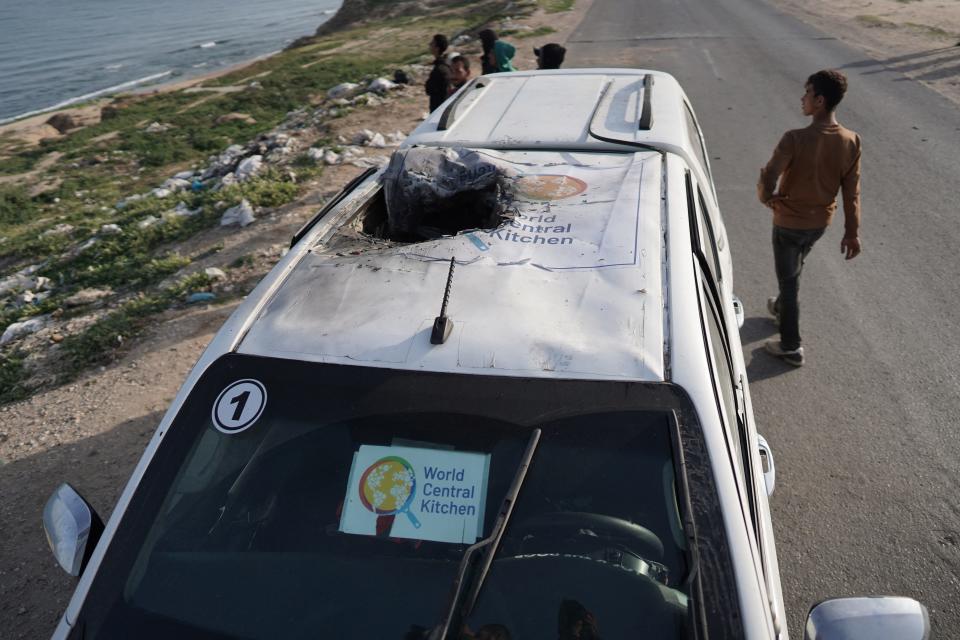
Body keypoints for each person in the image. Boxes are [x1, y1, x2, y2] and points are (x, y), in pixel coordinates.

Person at [757, 69, 862, 367]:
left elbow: (770, 174)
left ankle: (791, 346)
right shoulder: (851, 140)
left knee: (790, 281)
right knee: (794, 268)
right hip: (819, 225)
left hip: (789, 223)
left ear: (819, 100)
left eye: (806, 93)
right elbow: (851, 192)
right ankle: (780, 308)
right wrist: (852, 232)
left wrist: (766, 197)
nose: (801, 98)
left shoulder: (794, 138)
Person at [425, 34, 452, 112]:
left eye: (432, 43)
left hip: (439, 109)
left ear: (437, 48)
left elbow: (430, 89)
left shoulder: (440, 69)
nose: (429, 45)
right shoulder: (444, 65)